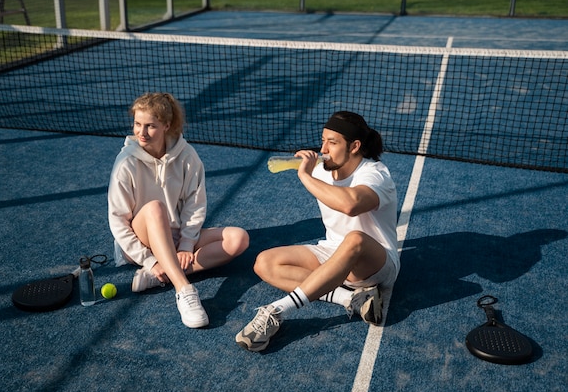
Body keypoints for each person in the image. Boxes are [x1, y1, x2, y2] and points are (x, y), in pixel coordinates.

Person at [235, 111, 399, 352]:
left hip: (374, 263)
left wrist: (303, 174)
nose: (323, 148)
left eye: (332, 142)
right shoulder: (322, 169)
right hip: (333, 252)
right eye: (322, 140)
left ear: (354, 146)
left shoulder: (375, 174)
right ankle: (351, 299)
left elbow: (351, 204)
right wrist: (304, 167)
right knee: (264, 263)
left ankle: (278, 310)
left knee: (354, 239)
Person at [108, 92, 249, 329]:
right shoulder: (125, 163)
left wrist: (186, 243)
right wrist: (150, 260)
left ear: (166, 125)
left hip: (175, 238)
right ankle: (183, 288)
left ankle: (159, 276)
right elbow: (117, 221)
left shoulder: (188, 157)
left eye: (151, 126)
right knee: (154, 208)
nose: (142, 132)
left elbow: (195, 205)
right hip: (139, 244)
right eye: (138, 124)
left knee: (239, 239)